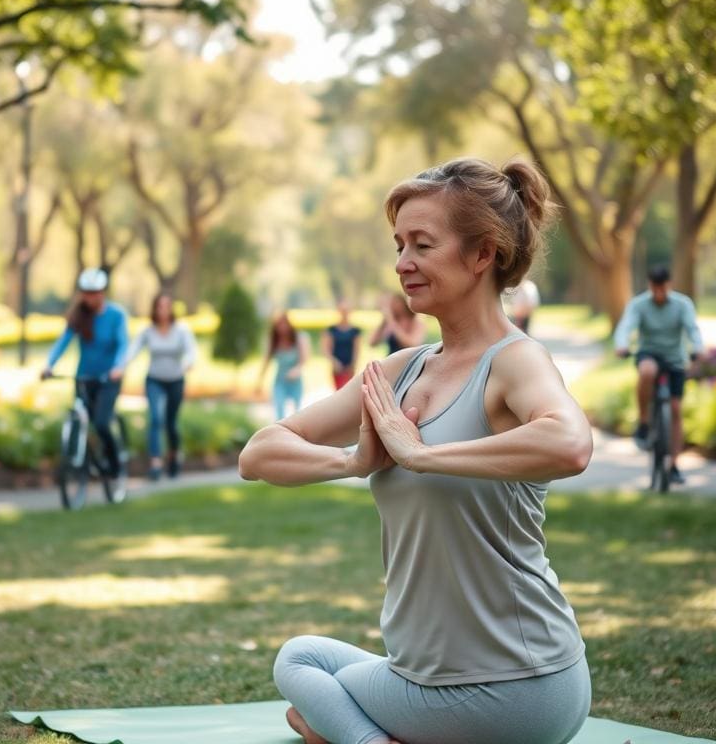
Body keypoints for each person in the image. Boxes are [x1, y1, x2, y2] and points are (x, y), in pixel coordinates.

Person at [239, 157, 593, 744]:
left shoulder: (513, 360)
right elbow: (258, 454)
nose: (402, 263)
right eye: (399, 244)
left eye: (422, 245)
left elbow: (571, 443)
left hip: (514, 688)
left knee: (303, 677)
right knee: (304, 657)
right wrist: (353, 463)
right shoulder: (401, 369)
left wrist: (421, 455)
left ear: (483, 254)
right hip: (455, 686)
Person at [614, 264, 704, 484]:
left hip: (675, 359)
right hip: (649, 353)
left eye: (663, 287)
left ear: (669, 285)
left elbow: (692, 329)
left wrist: (698, 348)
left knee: (675, 408)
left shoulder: (682, 304)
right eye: (655, 288)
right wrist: (622, 345)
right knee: (647, 370)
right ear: (650, 285)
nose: (659, 293)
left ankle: (673, 464)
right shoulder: (639, 304)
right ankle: (644, 422)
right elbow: (627, 326)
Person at [41, 267, 129, 479]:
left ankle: (115, 464)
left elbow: (123, 344)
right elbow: (63, 342)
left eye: (95, 292)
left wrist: (118, 367)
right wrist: (49, 365)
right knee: (79, 419)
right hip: (84, 378)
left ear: (103, 292)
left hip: (109, 379)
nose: (90, 297)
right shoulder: (79, 316)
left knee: (101, 422)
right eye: (86, 292)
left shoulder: (116, 315)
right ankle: (77, 461)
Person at [125, 292, 197, 480]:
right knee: (156, 419)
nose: (163, 310)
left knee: (171, 423)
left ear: (171, 308)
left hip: (175, 380)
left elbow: (191, 351)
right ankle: (155, 462)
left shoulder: (181, 330)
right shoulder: (148, 331)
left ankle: (173, 455)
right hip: (154, 380)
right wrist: (120, 367)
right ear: (155, 309)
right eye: (160, 306)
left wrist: (187, 363)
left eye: (167, 306)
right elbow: (132, 351)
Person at [258, 312, 310, 421]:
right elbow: (266, 360)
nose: (282, 328)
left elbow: (304, 359)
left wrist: (297, 370)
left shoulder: (298, 338)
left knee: (297, 411)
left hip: (295, 381)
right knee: (279, 408)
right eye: (279, 325)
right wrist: (260, 380)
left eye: (284, 324)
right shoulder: (274, 340)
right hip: (280, 380)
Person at [322, 299, 361, 390]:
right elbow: (326, 349)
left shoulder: (355, 331)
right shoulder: (331, 330)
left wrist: (353, 365)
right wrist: (334, 362)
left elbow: (357, 350)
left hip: (349, 368)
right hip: (337, 368)